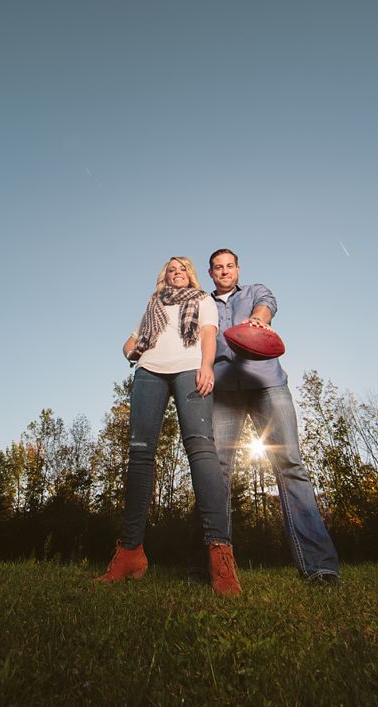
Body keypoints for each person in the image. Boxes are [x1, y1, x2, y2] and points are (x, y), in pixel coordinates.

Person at [95, 256, 242, 596]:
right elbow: (129, 343)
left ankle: (219, 552)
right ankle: (130, 552)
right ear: (165, 277)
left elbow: (208, 334)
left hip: (190, 369)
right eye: (170, 270)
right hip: (149, 373)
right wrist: (135, 352)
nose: (176, 274)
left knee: (202, 450)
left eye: (181, 269)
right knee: (140, 455)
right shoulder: (154, 303)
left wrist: (207, 366)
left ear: (190, 275)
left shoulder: (202, 299)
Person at [199, 248, 340, 584]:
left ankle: (319, 566)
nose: (224, 271)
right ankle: (212, 567)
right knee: (215, 473)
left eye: (229, 266)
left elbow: (268, 304)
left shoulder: (255, 292)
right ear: (210, 272)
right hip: (223, 392)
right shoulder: (203, 303)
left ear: (237, 269)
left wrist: (260, 318)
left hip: (267, 384)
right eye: (218, 268)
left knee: (290, 463)